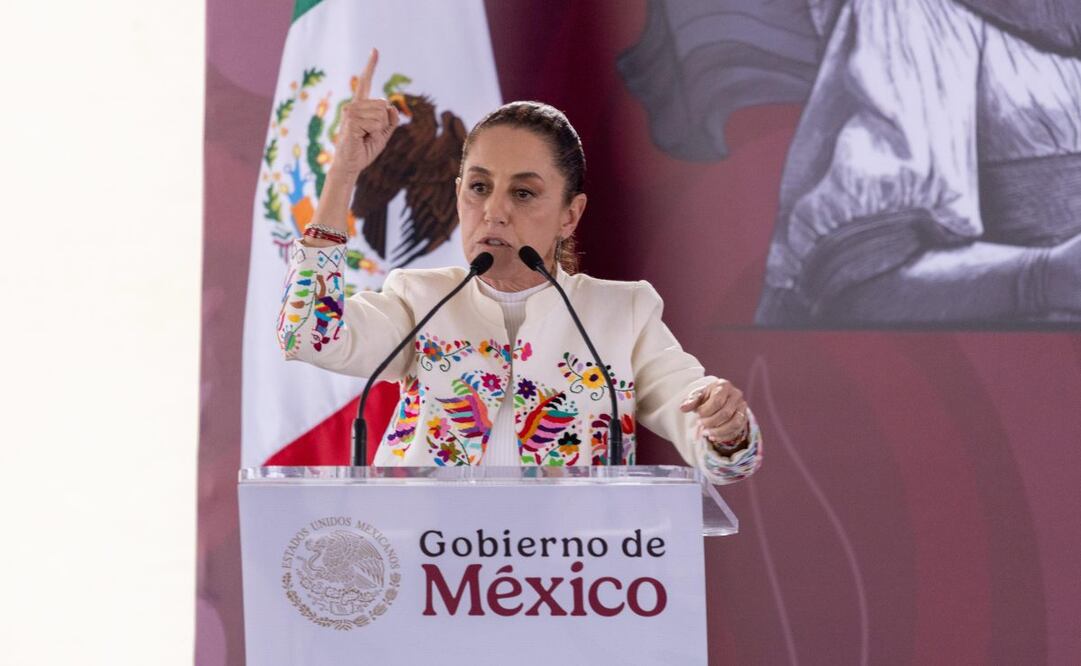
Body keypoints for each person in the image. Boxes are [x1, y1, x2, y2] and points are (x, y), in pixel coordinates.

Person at [277, 49, 762, 483]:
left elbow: (718, 446)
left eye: (523, 193)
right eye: (479, 187)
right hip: (431, 569)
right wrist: (343, 172)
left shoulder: (622, 313)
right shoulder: (416, 299)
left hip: (573, 574)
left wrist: (725, 424)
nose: (494, 211)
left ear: (570, 215)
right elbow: (305, 334)